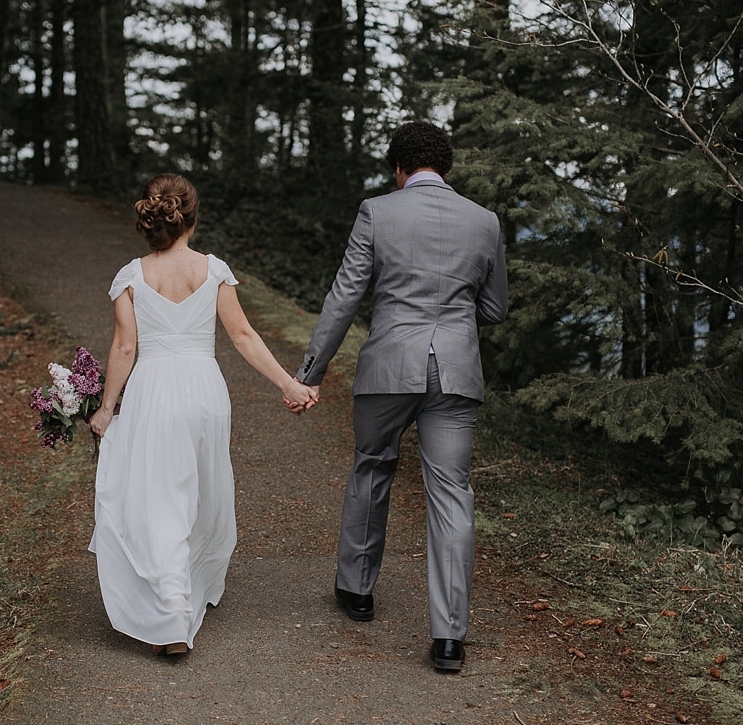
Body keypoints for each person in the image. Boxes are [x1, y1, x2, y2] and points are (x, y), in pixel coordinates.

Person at [296, 119, 508, 673]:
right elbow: (495, 308)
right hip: (455, 372)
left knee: (372, 465)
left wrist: (311, 372)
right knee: (451, 492)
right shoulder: (484, 222)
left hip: (389, 365)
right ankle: (449, 638)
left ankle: (358, 592)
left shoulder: (378, 212)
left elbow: (345, 296)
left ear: (399, 168)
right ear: (446, 167)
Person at [87, 174, 318, 656]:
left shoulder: (130, 276)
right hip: (204, 390)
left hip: (153, 388)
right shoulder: (213, 269)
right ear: (192, 217)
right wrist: (289, 384)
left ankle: (172, 614)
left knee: (161, 496)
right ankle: (189, 585)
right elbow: (244, 338)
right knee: (201, 487)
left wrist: (107, 409)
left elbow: (126, 346)